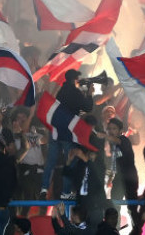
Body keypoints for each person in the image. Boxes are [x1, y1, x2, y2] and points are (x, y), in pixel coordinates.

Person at [43, 69, 93, 199]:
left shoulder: (61, 91)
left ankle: (44, 188)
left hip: (55, 130)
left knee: (51, 161)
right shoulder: (75, 92)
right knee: (70, 160)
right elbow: (87, 107)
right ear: (75, 79)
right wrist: (89, 94)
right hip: (67, 131)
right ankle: (65, 192)